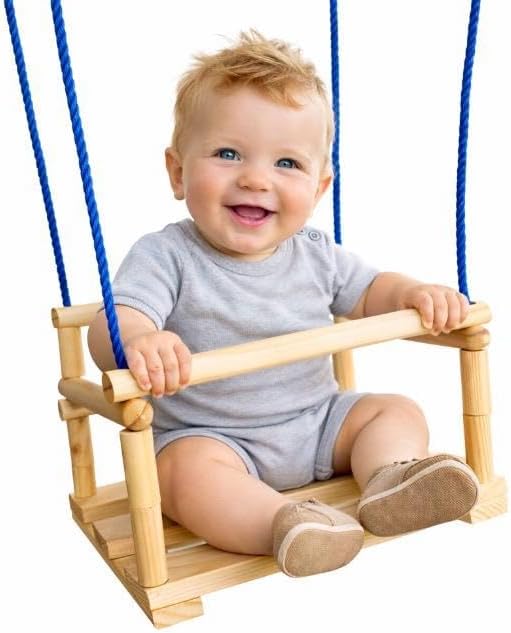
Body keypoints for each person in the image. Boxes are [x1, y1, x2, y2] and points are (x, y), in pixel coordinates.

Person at [88, 29, 480, 578]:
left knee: (395, 410)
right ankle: (285, 525)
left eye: (287, 164)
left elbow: (373, 290)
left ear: (318, 190)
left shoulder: (316, 253)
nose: (255, 179)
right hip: (215, 441)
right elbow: (115, 321)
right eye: (227, 154)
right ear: (178, 172)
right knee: (180, 473)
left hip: (319, 423)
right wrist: (139, 340)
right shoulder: (165, 256)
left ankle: (390, 480)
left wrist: (414, 293)